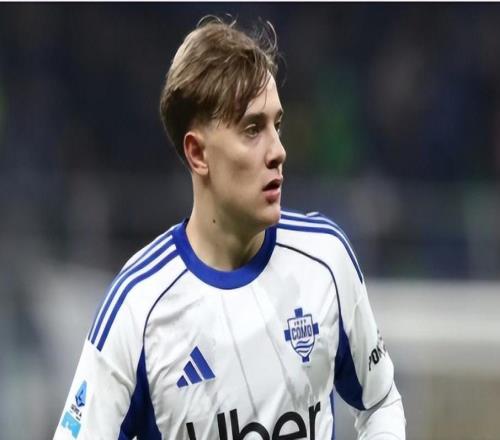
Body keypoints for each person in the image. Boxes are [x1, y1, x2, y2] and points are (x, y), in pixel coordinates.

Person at [54, 16, 406, 440]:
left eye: (277, 125)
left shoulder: (325, 260)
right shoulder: (138, 309)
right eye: (252, 129)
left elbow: (380, 401)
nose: (278, 151)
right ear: (198, 154)